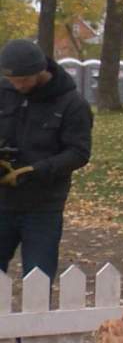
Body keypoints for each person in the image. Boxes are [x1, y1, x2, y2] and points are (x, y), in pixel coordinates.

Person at [0, 40, 92, 279]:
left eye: (23, 80)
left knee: (38, 278)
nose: (18, 86)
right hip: (2, 202)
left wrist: (36, 170)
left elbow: (79, 152)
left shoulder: (72, 103)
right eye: (13, 81)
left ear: (40, 72)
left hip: (43, 207)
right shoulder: (4, 91)